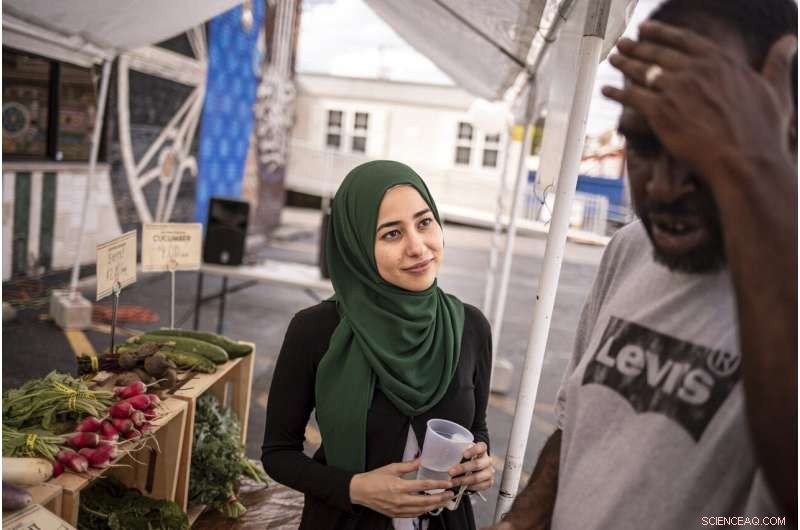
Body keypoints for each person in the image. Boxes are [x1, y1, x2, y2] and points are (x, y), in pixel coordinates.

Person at [485, 0, 797, 529]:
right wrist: (520, 521)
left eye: (702, 143)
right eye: (645, 146)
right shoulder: (631, 250)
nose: (664, 187)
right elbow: (578, 425)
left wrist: (757, 178)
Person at [263, 160, 495, 529]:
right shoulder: (315, 330)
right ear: (356, 246)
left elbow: (476, 427)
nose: (417, 247)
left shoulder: (470, 327)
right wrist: (354, 488)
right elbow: (278, 453)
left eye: (424, 223)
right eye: (391, 234)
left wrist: (479, 463)